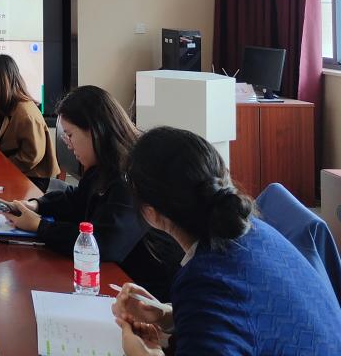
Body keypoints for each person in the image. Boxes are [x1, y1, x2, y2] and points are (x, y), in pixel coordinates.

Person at [113, 126, 341, 356]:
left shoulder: (204, 279)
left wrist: (143, 354)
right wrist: (167, 315)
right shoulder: (254, 229)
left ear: (150, 213)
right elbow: (249, 313)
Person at [6, 86, 182, 301]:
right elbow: (78, 199)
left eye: (70, 135)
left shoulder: (132, 173)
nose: (68, 145)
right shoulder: (103, 165)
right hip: (120, 275)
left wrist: (39, 226)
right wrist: (37, 205)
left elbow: (105, 244)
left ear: (95, 131)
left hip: (147, 290)